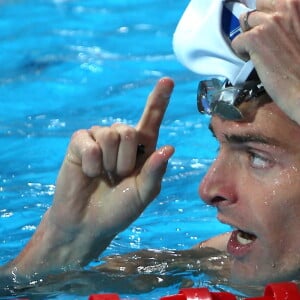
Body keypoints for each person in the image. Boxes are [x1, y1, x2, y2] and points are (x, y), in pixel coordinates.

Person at [1, 0, 300, 296]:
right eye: (218, 145)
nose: (209, 190)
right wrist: (60, 245)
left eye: (257, 158)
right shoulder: (213, 262)